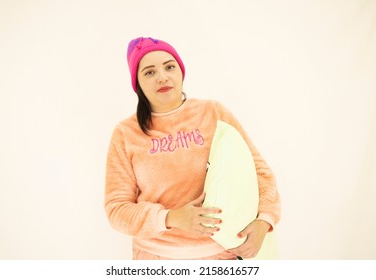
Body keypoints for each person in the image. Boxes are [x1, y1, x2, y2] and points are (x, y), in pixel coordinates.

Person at [105, 37, 280, 260]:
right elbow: (116, 209)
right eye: (149, 72)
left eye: (169, 66)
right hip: (155, 259)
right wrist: (171, 217)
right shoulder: (125, 133)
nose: (162, 77)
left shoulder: (214, 113)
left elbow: (259, 173)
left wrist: (264, 221)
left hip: (222, 255)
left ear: (181, 71)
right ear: (137, 83)